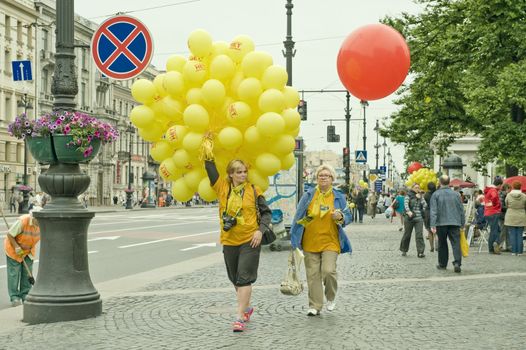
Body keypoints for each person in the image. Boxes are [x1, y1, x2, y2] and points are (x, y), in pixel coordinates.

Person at [204, 158, 271, 332]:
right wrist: (207, 149)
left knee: (244, 278)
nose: (243, 175)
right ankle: (247, 308)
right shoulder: (222, 188)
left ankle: (239, 317)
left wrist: (259, 231)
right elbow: (210, 169)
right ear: (231, 174)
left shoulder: (254, 190)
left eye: (244, 171)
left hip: (250, 240)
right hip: (229, 240)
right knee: (234, 278)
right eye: (239, 172)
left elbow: (266, 214)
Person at [290, 164, 352, 316]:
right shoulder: (309, 195)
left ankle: (330, 297)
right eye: (320, 175)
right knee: (312, 276)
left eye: (327, 175)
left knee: (328, 271)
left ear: (332, 179)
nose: (323, 177)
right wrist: (295, 239)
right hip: (310, 241)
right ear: (316, 178)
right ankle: (315, 306)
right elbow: (299, 218)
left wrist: (341, 217)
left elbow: (348, 216)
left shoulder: (338, 196)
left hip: (331, 241)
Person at [4, 206, 42, 306]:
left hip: (28, 250)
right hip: (13, 249)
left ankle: (25, 294)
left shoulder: (42, 224)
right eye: (39, 219)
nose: (41, 222)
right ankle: (14, 297)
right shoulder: (23, 221)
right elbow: (10, 235)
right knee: (14, 274)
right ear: (34, 218)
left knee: (27, 273)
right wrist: (17, 247)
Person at [430, 176, 465, 272]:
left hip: (441, 223)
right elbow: (461, 210)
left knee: (442, 243)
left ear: (440, 182)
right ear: (449, 182)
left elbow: (434, 211)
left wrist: (432, 225)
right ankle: (457, 262)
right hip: (455, 222)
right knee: (456, 243)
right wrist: (462, 223)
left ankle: (442, 264)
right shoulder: (456, 194)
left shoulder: (436, 194)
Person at [400, 183, 427, 258]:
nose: (417, 189)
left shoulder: (420, 196)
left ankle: (420, 252)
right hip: (409, 217)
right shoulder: (408, 195)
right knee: (407, 234)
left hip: (419, 218)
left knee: (419, 235)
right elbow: (406, 205)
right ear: (412, 188)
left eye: (418, 187)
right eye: (415, 187)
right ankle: (404, 250)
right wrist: (409, 211)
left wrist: (420, 199)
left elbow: (425, 205)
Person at [504, 181, 526, 256]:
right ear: (520, 187)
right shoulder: (524, 196)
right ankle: (519, 252)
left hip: (511, 215)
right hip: (521, 215)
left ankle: (513, 251)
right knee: (520, 234)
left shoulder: (508, 195)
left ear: (513, 187)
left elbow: (506, 204)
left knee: (512, 234)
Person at [484, 176, 503, 254]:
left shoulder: (489, 190)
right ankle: (494, 245)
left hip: (488, 212)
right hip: (493, 212)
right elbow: (494, 198)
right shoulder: (493, 190)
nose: (501, 187)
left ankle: (495, 244)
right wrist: (497, 205)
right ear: (499, 184)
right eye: (501, 185)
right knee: (494, 231)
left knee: (497, 230)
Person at [423, 182, 437, 252]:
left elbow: (423, 204)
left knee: (429, 231)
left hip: (428, 213)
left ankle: (432, 247)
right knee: (436, 231)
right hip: (436, 212)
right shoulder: (437, 194)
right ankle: (437, 245)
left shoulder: (426, 195)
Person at [498, 183, 511, 251]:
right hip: (503, 215)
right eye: (509, 189)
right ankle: (500, 245)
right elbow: (501, 207)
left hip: (502, 215)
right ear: (506, 189)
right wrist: (509, 207)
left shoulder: (501, 194)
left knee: (506, 230)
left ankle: (508, 246)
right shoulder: (503, 195)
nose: (510, 191)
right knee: (503, 231)